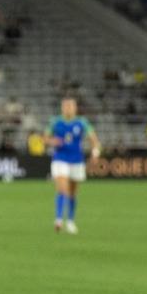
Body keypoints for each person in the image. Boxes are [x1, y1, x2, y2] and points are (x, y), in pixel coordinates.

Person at [44, 97, 100, 234]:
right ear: (62, 108)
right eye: (66, 106)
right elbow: (44, 138)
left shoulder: (82, 122)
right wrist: (52, 141)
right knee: (63, 188)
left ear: (75, 108)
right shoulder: (55, 122)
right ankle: (58, 219)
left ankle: (70, 220)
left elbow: (93, 139)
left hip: (77, 160)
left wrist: (95, 153)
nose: (68, 108)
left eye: (71, 106)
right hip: (60, 159)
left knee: (73, 193)